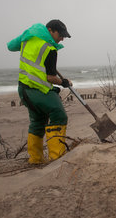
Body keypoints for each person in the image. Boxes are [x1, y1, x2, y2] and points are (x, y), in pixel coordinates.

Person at [7, 19, 73, 164]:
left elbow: (10, 46)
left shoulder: (29, 38)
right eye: (60, 35)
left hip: (24, 89)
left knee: (38, 121)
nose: (62, 38)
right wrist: (64, 82)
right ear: (50, 31)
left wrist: (26, 34)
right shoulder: (50, 48)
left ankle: (36, 159)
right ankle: (57, 158)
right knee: (59, 115)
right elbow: (50, 77)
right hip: (39, 91)